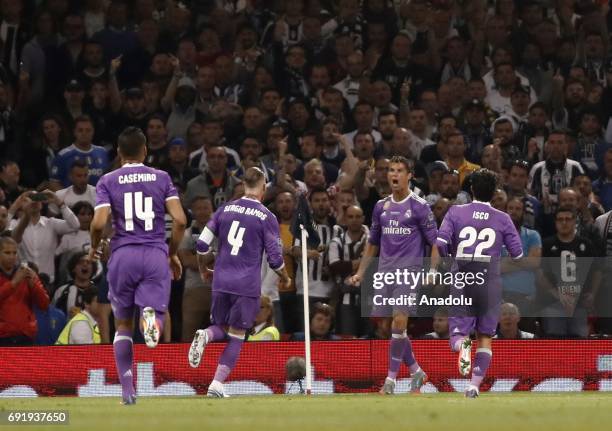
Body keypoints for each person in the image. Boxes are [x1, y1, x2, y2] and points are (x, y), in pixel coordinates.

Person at [89, 127, 187, 405]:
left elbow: (98, 223)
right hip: (155, 253)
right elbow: (180, 221)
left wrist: (95, 246)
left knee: (122, 324)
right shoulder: (162, 178)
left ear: (119, 153)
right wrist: (172, 253)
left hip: (122, 255)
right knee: (153, 314)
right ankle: (151, 320)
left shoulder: (107, 180)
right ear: (145, 150)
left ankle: (128, 392)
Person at [188, 166, 290, 398]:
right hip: (246, 285)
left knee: (221, 327)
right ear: (264, 187)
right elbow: (275, 258)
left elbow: (202, 245)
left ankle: (205, 335)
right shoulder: (267, 216)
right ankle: (216, 383)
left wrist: (204, 269)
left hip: (221, 280)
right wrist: (285, 277)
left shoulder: (224, 209)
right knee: (237, 334)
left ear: (244, 185)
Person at [349, 155, 438, 394]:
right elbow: (372, 243)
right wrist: (360, 273)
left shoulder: (419, 206)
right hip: (385, 272)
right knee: (394, 329)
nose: (394, 174)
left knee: (399, 323)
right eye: (390, 170)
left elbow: (435, 242)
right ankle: (417, 371)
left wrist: (431, 270)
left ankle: (390, 381)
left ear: (410, 176)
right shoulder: (381, 207)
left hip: (409, 272)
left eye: (399, 170)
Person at [436, 168, 523, 398]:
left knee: (458, 335)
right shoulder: (503, 218)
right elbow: (517, 254)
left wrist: (450, 256)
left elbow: (441, 242)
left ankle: (462, 347)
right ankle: (474, 385)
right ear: (494, 192)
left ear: (472, 189)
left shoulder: (456, 212)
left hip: (463, 278)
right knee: (485, 336)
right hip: (489, 282)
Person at [0, 237, 49, 346]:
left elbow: (44, 304)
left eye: (14, 253)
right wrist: (13, 284)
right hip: (2, 336)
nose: (12, 257)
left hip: (25, 335)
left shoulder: (27, 273)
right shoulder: (18, 278)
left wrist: (34, 285)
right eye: (7, 253)